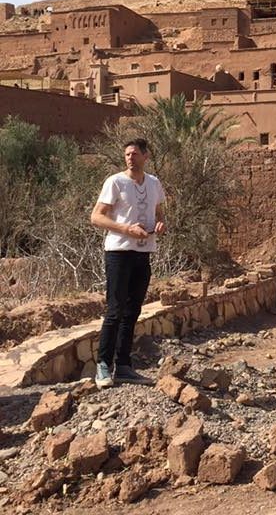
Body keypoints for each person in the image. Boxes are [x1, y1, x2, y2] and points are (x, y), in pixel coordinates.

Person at [90, 139, 166, 388]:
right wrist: (125, 228)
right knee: (114, 310)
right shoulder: (115, 182)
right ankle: (103, 365)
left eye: (134, 153)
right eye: (126, 154)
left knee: (133, 311)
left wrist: (161, 225)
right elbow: (96, 217)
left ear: (146, 155)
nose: (130, 157)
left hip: (143, 254)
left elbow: (159, 212)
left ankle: (123, 366)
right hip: (119, 252)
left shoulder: (154, 183)